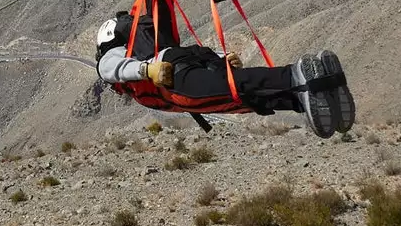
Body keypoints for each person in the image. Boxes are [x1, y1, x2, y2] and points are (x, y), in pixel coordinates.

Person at [94, 14, 355, 138]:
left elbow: (110, 69)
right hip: (188, 57)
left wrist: (145, 70)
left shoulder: (111, 54)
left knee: (236, 89)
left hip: (174, 78)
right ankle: (314, 92)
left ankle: (295, 75)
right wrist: (219, 57)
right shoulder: (143, 45)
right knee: (244, 99)